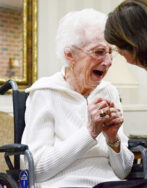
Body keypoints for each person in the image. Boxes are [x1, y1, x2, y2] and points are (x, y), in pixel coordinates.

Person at [21, 9, 134, 187]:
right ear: (69, 55)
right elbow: (36, 170)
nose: (108, 61)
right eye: (98, 52)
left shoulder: (109, 91)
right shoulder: (44, 92)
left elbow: (124, 171)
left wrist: (113, 139)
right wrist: (90, 133)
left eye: (110, 52)